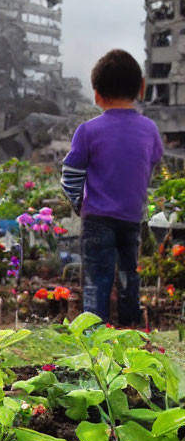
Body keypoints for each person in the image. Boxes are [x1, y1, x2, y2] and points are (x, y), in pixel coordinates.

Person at [61, 49, 163, 326]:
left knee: (97, 279)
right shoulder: (150, 130)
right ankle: (132, 332)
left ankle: (95, 338)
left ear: (96, 94)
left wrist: (77, 203)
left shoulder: (88, 130)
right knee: (130, 275)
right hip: (131, 218)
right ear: (140, 88)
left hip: (97, 219)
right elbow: (151, 163)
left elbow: (70, 174)